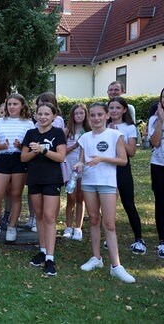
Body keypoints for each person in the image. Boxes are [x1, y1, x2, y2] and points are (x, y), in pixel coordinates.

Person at [76, 102, 135, 283]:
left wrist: (102, 158)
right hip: (88, 183)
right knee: (93, 219)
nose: (95, 118)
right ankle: (96, 258)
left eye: (99, 114)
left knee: (109, 223)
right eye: (92, 115)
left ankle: (116, 266)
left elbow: (123, 160)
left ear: (106, 115)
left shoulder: (115, 135)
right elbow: (82, 160)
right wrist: (79, 165)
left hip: (107, 183)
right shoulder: (85, 138)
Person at [21, 102, 66, 276]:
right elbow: (24, 157)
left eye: (47, 114)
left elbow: (61, 157)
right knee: (39, 215)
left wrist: (43, 150)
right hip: (34, 178)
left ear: (54, 116)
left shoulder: (57, 133)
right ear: (36, 115)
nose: (43, 117)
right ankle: (42, 249)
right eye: (40, 114)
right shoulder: (31, 133)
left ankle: (50, 258)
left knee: (49, 216)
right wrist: (35, 151)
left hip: (51, 179)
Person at [0, 94, 34, 246]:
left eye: (15, 104)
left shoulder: (28, 123)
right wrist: (2, 146)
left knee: (16, 195)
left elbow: (30, 146)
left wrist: (21, 146)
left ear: (22, 106)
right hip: (2, 160)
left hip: (19, 160)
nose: (12, 107)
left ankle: (12, 227)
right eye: (9, 104)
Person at [108, 96, 145, 254]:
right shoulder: (103, 124)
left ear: (124, 110)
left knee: (128, 204)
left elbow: (131, 152)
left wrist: (119, 137)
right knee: (108, 205)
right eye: (111, 108)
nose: (114, 111)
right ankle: (109, 237)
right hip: (107, 169)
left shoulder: (129, 127)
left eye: (117, 108)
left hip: (122, 169)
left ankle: (139, 239)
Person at [63, 104, 91, 241]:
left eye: (82, 113)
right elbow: (62, 151)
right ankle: (68, 226)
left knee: (81, 197)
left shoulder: (90, 131)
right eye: (76, 113)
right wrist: (75, 145)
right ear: (72, 115)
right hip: (69, 165)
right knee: (70, 197)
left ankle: (78, 228)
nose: (79, 116)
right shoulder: (67, 131)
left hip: (84, 166)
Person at [148, 88, 164, 258]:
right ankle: (162, 241)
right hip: (158, 163)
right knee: (160, 201)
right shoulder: (154, 118)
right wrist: (160, 120)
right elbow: (155, 142)